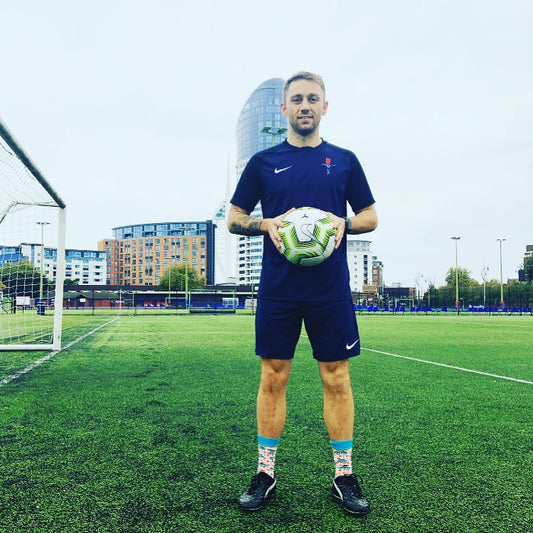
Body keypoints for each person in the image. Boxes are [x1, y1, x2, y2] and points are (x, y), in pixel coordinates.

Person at [227, 71, 378, 516]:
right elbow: (234, 218)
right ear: (285, 108)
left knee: (336, 377)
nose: (305, 105)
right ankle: (265, 472)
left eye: (313, 98)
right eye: (297, 99)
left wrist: (343, 223)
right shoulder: (263, 163)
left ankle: (344, 474)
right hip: (278, 288)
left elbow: (370, 216)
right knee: (273, 376)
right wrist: (265, 223)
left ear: (325, 107)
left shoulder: (344, 161)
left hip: (330, 289)